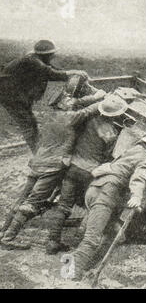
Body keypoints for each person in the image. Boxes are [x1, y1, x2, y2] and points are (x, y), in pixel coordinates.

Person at [0, 91, 104, 250]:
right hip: (51, 167)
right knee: (33, 202)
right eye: (68, 100)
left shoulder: (50, 117)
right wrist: (104, 99)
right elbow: (89, 111)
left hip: (38, 162)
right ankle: (8, 238)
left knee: (23, 197)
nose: (71, 101)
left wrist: (92, 97)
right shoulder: (69, 117)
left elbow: (79, 103)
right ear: (62, 104)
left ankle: (4, 230)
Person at [70, 132, 146, 280]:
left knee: (116, 234)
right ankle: (69, 276)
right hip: (106, 194)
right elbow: (140, 176)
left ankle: (87, 266)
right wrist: (136, 196)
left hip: (94, 190)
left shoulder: (130, 151)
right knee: (92, 239)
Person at [45, 95, 128, 254]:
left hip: (73, 167)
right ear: (115, 115)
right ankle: (80, 239)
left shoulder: (88, 120)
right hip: (90, 173)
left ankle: (52, 241)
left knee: (63, 206)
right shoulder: (111, 133)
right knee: (91, 205)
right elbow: (108, 156)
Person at [0, 40, 88, 152]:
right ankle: (38, 154)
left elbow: (51, 69)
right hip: (10, 95)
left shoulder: (35, 59)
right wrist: (74, 72)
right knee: (28, 124)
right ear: (46, 55)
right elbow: (51, 73)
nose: (52, 57)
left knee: (30, 123)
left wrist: (72, 73)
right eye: (51, 55)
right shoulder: (32, 61)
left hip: (15, 94)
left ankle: (38, 150)